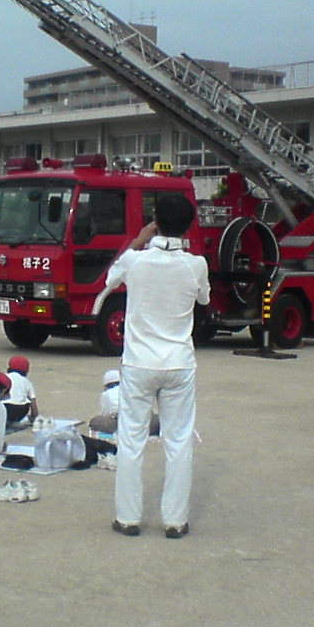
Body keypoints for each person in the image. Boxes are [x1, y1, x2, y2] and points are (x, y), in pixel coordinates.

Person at [99, 193, 210, 539]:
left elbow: (109, 281)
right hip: (179, 363)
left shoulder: (135, 260)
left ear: (155, 222)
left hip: (139, 364)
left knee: (131, 441)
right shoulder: (196, 265)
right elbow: (204, 298)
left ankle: (128, 519)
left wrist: (138, 241)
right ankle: (175, 521)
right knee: (178, 442)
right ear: (188, 225)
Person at [4, 355, 38, 424]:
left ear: (8, 368)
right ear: (26, 371)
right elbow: (33, 402)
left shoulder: (4, 377)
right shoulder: (27, 382)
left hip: (5, 408)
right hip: (21, 410)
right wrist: (34, 418)